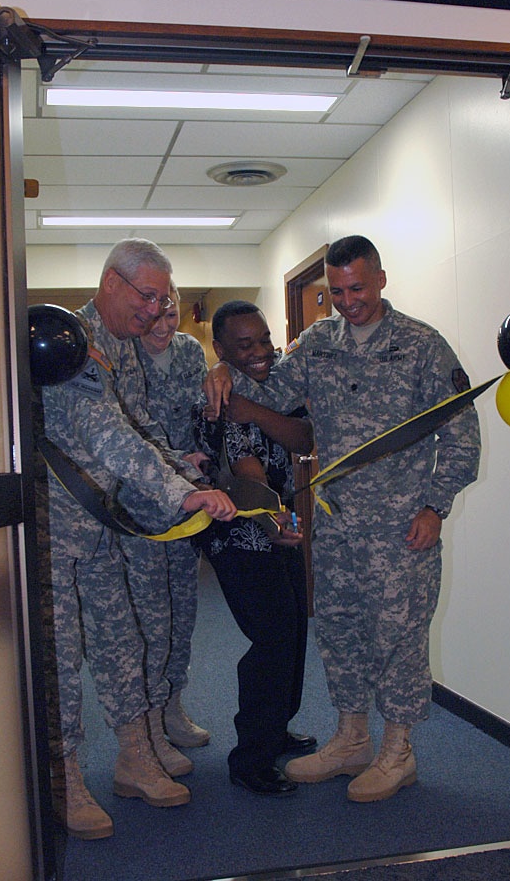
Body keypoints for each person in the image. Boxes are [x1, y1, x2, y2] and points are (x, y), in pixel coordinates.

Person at [203, 237, 481, 803]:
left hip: (401, 526)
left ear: (381, 279)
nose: (348, 301)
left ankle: (398, 750)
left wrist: (436, 506)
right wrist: (221, 369)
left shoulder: (422, 346)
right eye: (336, 291)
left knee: (399, 638)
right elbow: (270, 390)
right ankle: (352, 738)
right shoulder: (318, 343)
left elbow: (460, 433)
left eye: (357, 288)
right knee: (340, 632)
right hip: (335, 526)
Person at [37, 239, 236, 840]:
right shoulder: (74, 346)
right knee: (62, 662)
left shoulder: (123, 348)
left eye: (162, 300)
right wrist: (182, 493)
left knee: (123, 644)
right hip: (57, 534)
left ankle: (133, 758)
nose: (155, 312)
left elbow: (139, 426)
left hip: (104, 532)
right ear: (112, 283)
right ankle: (64, 776)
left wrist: (181, 473)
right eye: (148, 298)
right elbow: (108, 437)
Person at [192, 300, 317, 796]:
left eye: (264, 339)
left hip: (279, 524)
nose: (261, 352)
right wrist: (275, 521)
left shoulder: (277, 385)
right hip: (240, 532)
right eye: (244, 346)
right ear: (220, 350)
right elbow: (248, 474)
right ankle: (251, 758)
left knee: (293, 630)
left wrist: (256, 410)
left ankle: (277, 729)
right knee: (273, 637)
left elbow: (302, 435)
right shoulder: (216, 397)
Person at [135, 286, 211, 749]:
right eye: (154, 319)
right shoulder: (119, 355)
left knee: (182, 611)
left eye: (173, 316)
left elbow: (202, 416)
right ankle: (145, 721)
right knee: (145, 618)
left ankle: (172, 706)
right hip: (140, 509)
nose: (164, 328)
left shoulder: (189, 352)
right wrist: (179, 461)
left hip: (187, 509)